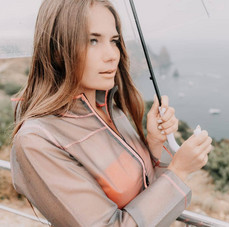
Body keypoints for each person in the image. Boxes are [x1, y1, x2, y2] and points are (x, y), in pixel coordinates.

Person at [10, 0, 212, 226]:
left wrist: (155, 143)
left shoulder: (110, 109)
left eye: (114, 41)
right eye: (93, 40)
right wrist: (179, 172)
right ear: (57, 50)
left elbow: (143, 194)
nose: (112, 55)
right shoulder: (36, 141)